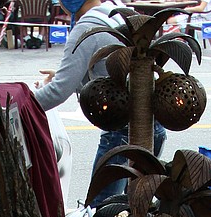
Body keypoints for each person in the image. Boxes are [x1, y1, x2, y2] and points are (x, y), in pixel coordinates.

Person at [33, 0, 166, 206]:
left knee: (101, 211)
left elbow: (58, 92)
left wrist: (20, 106)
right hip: (152, 129)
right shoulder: (116, 11)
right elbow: (108, 74)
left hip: (122, 135)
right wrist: (70, 78)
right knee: (134, 208)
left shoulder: (87, 28)